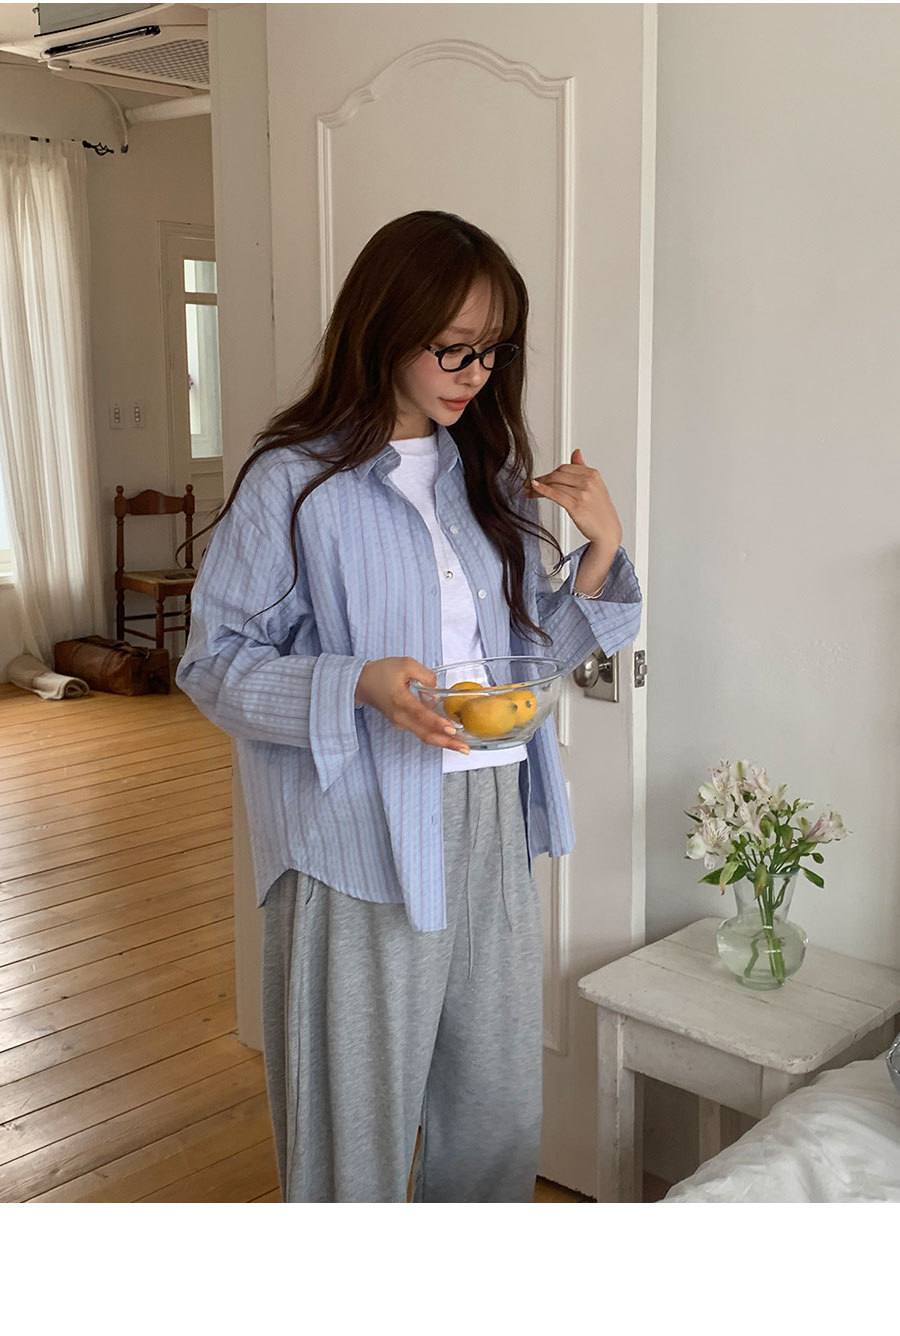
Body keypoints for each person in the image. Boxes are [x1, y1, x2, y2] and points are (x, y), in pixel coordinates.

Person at [176, 210, 642, 1203]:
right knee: (355, 1133)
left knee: (496, 1116)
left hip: (490, 816)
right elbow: (213, 663)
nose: (476, 374)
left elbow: (527, 660)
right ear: (385, 326)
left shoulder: (488, 472)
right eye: (453, 347)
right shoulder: (294, 481)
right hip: (356, 834)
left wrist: (600, 551)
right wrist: (356, 681)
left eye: (493, 350)